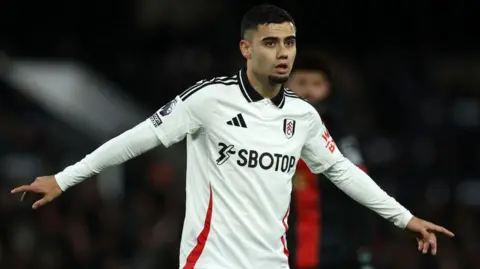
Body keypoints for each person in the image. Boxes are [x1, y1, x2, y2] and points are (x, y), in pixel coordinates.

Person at [11, 4, 454, 269]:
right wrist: (64, 179)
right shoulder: (209, 100)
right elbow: (136, 138)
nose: (282, 52)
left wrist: (405, 218)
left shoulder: (302, 116)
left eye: (289, 42)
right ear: (246, 48)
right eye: (271, 43)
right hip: (211, 263)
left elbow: (341, 170)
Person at [286, 52, 369, 268]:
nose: (309, 91)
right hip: (280, 245)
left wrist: (360, 244)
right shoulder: (266, 128)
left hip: (332, 248)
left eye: (317, 83)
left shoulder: (342, 133)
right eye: (301, 82)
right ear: (286, 84)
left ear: (328, 88)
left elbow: (361, 187)